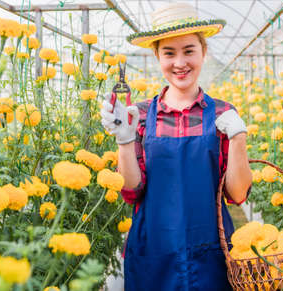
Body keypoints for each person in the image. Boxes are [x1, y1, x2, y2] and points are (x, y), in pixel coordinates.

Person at [100, 3, 252, 290]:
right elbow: (132, 191)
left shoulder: (223, 114)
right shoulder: (140, 115)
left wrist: (238, 138)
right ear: (157, 56)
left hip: (211, 257)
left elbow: (238, 193)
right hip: (154, 254)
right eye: (169, 53)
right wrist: (124, 140)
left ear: (203, 52)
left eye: (189, 50)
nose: (180, 62)